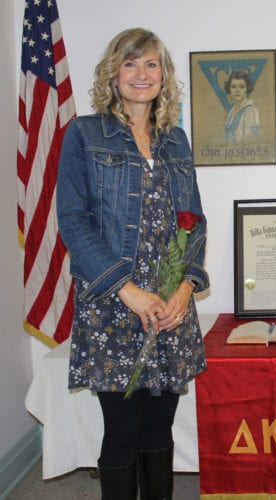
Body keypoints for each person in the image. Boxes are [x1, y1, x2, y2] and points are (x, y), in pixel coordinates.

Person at [56, 28, 209, 499]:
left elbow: (194, 221)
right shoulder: (84, 134)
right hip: (113, 302)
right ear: (113, 73)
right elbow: (73, 221)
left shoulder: (175, 140)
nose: (141, 74)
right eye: (130, 63)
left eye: (151, 64)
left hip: (170, 307)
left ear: (163, 75)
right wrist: (128, 290)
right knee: (122, 429)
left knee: (159, 427)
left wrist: (185, 289)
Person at [224, 70, 260, 144]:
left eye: (242, 87)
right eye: (233, 87)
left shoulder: (250, 112)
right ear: (229, 89)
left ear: (247, 88)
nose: (237, 90)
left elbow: (249, 142)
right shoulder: (231, 111)